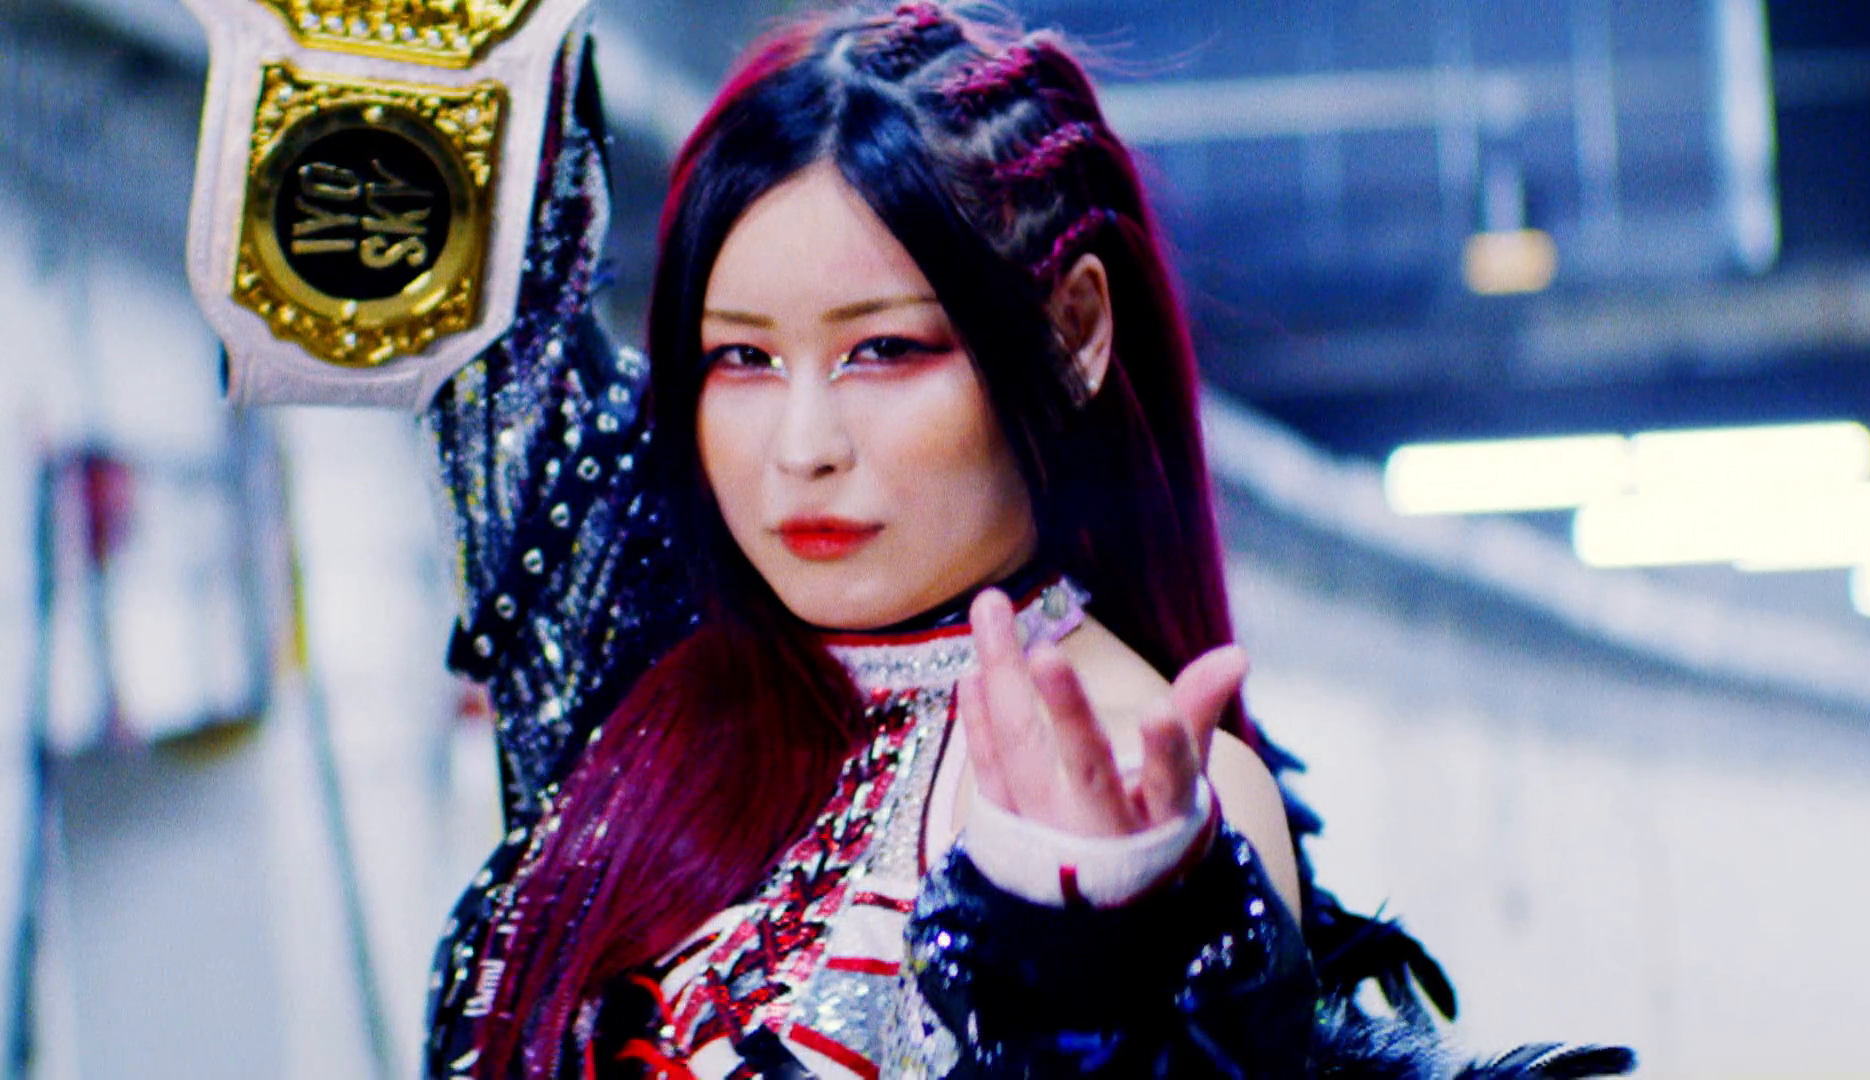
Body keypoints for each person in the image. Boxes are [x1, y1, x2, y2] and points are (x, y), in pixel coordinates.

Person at [416, 4, 1637, 1078]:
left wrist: (1098, 956)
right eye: (741, 357)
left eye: (884, 350)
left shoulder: (1162, 801)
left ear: (1075, 333)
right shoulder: (631, 661)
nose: (801, 446)